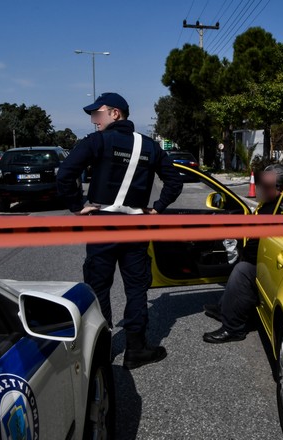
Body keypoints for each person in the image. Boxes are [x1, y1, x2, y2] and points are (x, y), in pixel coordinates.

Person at [57, 92, 183, 369]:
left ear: (115, 114)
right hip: (135, 226)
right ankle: (136, 349)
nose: (93, 120)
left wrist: (77, 206)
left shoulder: (97, 142)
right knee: (136, 288)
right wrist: (156, 208)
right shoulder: (150, 146)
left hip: (103, 225)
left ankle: (100, 352)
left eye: (97, 114)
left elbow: (64, 174)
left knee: (99, 286)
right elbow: (174, 181)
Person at [202, 163, 283, 343]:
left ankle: (233, 328)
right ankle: (224, 307)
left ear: (280, 189)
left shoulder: (279, 210)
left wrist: (244, 257)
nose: (259, 188)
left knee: (242, 271)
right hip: (267, 259)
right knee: (240, 267)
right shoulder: (270, 204)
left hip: (274, 262)